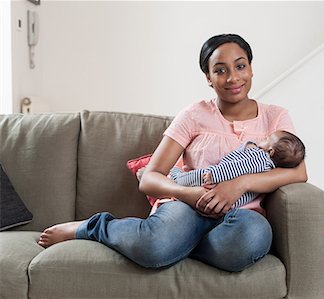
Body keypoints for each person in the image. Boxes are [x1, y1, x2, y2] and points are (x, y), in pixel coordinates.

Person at [37, 33, 308, 272]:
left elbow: (299, 171)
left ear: (251, 69)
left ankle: (180, 247)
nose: (233, 77)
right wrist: (188, 194)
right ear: (208, 78)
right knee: (154, 246)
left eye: (240, 66)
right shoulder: (193, 114)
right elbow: (150, 177)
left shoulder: (275, 117)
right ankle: (93, 228)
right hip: (186, 208)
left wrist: (240, 184)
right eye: (220, 70)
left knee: (251, 239)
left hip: (241, 215)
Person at [169, 130, 305, 209]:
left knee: (195, 176)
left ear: (270, 151)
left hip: (217, 180)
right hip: (232, 203)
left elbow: (236, 167)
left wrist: (215, 174)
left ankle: (176, 178)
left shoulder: (260, 158)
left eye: (267, 139)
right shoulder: (269, 171)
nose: (263, 138)